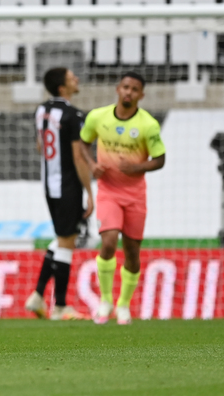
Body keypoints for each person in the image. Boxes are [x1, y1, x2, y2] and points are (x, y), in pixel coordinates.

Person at [77, 71, 165, 325]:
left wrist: (136, 167)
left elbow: (160, 160)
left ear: (141, 95)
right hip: (108, 191)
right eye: (126, 87)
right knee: (108, 242)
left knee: (132, 253)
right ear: (118, 89)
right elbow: (83, 142)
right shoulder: (98, 117)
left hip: (135, 195)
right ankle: (105, 301)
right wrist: (92, 164)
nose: (129, 92)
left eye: (134, 89)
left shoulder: (148, 125)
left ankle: (123, 305)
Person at [25, 67, 94, 321]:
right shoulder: (73, 115)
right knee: (67, 242)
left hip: (48, 184)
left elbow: (40, 145)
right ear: (63, 88)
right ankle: (61, 306)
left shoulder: (41, 110)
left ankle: (37, 295)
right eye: (72, 77)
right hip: (67, 185)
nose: (77, 79)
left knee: (63, 238)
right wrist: (89, 192)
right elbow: (78, 157)